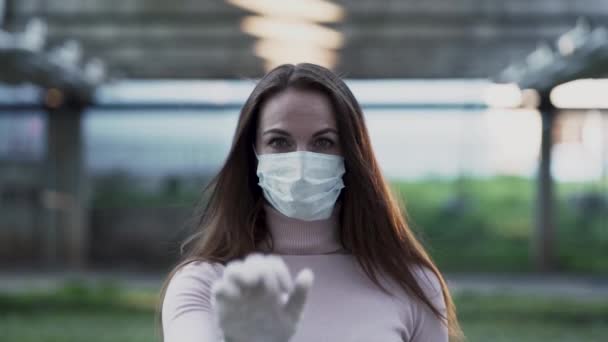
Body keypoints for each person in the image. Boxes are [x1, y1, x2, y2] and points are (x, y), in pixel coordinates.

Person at [158, 63, 464, 342]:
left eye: (323, 142)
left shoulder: (413, 284)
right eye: (279, 142)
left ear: (352, 155)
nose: (301, 161)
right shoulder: (202, 285)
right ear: (252, 155)